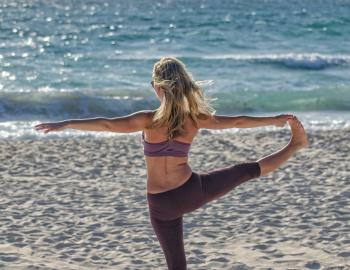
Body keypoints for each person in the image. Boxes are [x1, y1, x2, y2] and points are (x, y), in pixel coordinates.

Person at [34, 56, 308, 269]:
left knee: (177, 266)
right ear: (184, 86)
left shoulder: (147, 120)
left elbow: (106, 124)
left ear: (156, 87)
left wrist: (66, 123)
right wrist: (274, 119)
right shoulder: (194, 118)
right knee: (247, 170)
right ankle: (295, 145)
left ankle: (295, 144)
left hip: (160, 204)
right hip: (191, 191)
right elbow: (236, 121)